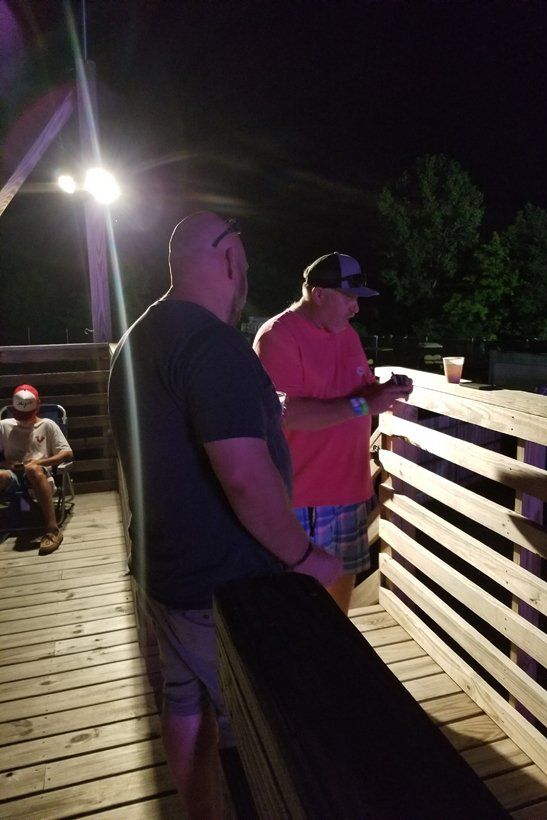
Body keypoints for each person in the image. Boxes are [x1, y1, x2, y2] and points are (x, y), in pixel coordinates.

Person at [108, 211, 341, 820]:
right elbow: (243, 475)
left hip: (165, 572)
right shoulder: (213, 345)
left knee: (184, 701)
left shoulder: (138, 337)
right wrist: (303, 556)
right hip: (224, 590)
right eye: (246, 267)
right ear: (232, 261)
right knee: (265, 731)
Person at [254, 252, 413, 614]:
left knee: (339, 604)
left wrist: (386, 391)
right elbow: (283, 414)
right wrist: (364, 405)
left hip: (350, 491)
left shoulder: (346, 334)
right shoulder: (279, 335)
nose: (356, 308)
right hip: (302, 497)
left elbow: (361, 391)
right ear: (319, 293)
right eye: (349, 297)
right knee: (297, 608)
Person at [0, 384, 72, 555]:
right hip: (12, 474)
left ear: (38, 405)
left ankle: (52, 530)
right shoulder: (3, 426)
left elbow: (67, 453)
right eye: (21, 415)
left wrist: (40, 462)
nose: (24, 420)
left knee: (33, 469)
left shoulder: (47, 425)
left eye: (28, 415)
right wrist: (7, 464)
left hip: (39, 476)